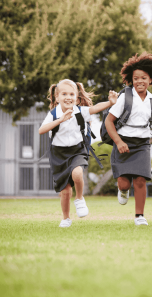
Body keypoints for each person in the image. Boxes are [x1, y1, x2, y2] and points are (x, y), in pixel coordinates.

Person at [105, 52, 152, 226]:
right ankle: (122, 191)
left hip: (142, 144)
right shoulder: (125, 97)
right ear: (131, 79)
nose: (139, 81)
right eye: (136, 78)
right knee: (124, 184)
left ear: (151, 79)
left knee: (141, 179)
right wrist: (119, 142)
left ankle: (139, 216)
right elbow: (109, 121)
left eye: (143, 78)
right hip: (123, 142)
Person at [39, 79, 118, 227]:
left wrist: (110, 103)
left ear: (77, 97)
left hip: (77, 150)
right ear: (57, 97)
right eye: (64, 94)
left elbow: (95, 109)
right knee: (65, 191)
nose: (68, 97)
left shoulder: (80, 111)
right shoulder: (53, 114)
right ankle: (66, 218)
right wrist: (60, 120)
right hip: (58, 154)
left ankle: (80, 198)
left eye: (71, 94)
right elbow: (41, 130)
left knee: (77, 174)